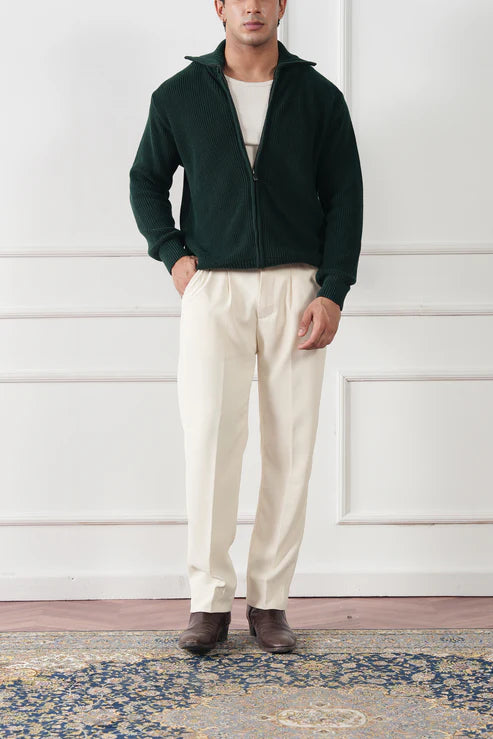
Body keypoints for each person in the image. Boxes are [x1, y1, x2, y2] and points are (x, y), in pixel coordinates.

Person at [129, 0, 363, 656]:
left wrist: (332, 291)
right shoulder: (179, 96)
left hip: (297, 288)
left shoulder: (318, 97)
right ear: (220, 6)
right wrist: (173, 256)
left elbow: (345, 196)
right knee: (210, 441)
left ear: (282, 5)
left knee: (290, 446)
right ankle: (208, 602)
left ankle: (269, 601)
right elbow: (145, 181)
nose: (252, 6)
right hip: (214, 289)